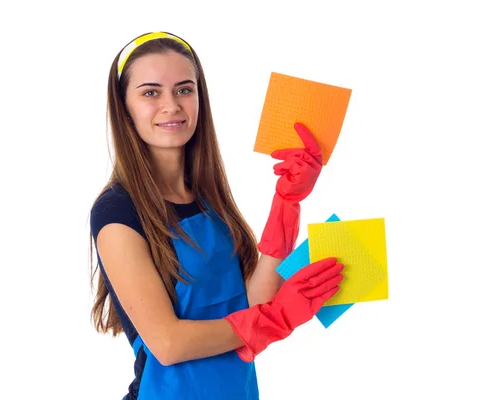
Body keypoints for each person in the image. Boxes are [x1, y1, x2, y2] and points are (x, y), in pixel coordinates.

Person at [88, 31, 344, 400]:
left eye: (183, 89)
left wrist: (287, 200)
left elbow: (247, 306)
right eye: (150, 92)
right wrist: (277, 318)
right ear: (123, 107)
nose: (171, 105)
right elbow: (167, 342)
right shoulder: (117, 211)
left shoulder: (208, 198)